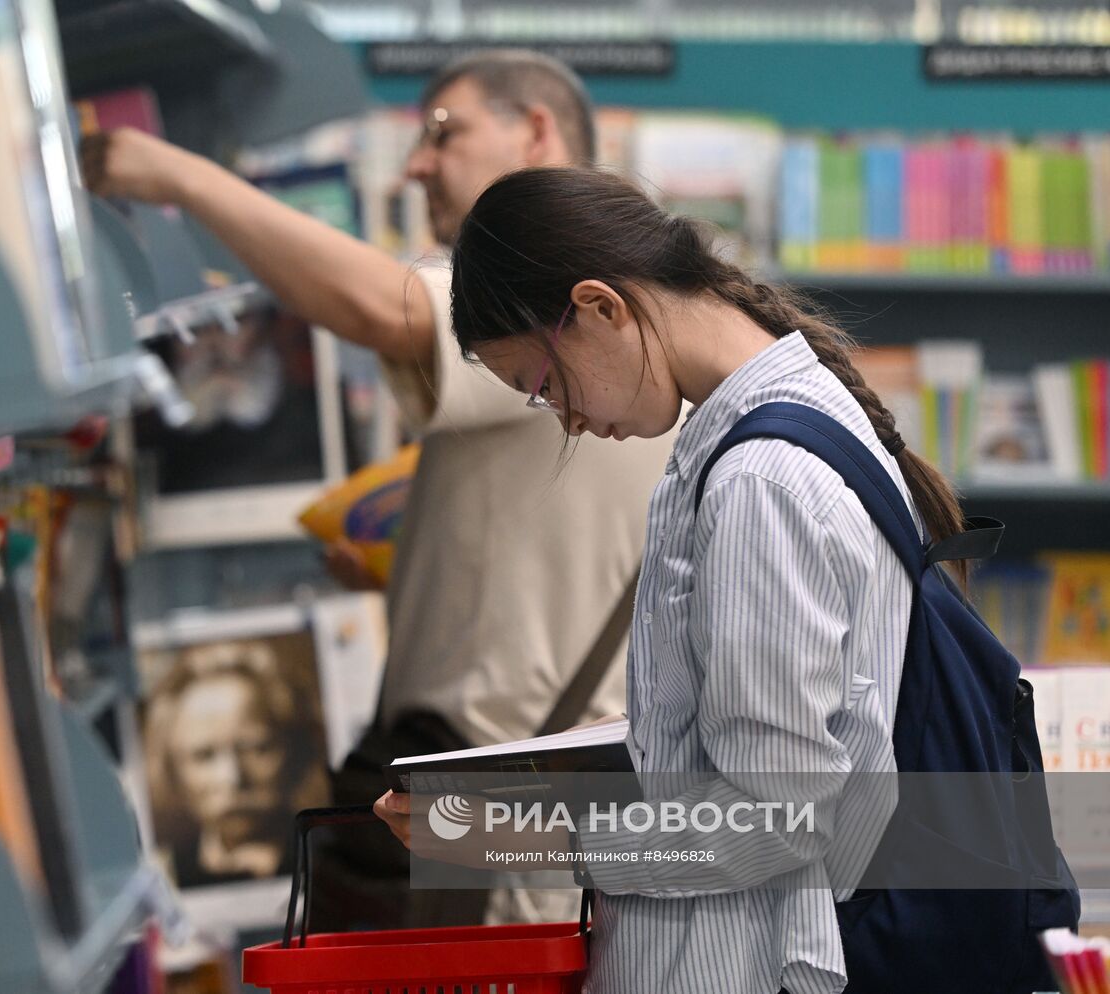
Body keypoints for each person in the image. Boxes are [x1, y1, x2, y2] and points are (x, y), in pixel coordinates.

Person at [84, 52, 675, 926]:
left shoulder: (561, 277)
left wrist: (179, 178)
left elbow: (383, 308)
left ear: (537, 131)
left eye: (446, 130)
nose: (416, 164)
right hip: (486, 790)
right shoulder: (593, 284)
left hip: (502, 818)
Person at [373, 165, 972, 993]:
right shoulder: (787, 428)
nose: (570, 420)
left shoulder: (757, 480)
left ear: (600, 307)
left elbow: (776, 816)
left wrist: (502, 837)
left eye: (543, 385)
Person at [144, 639, 328, 889]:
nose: (231, 777)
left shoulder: (332, 858)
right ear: (171, 770)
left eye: (256, 747)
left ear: (297, 750)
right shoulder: (162, 878)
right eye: (203, 755)